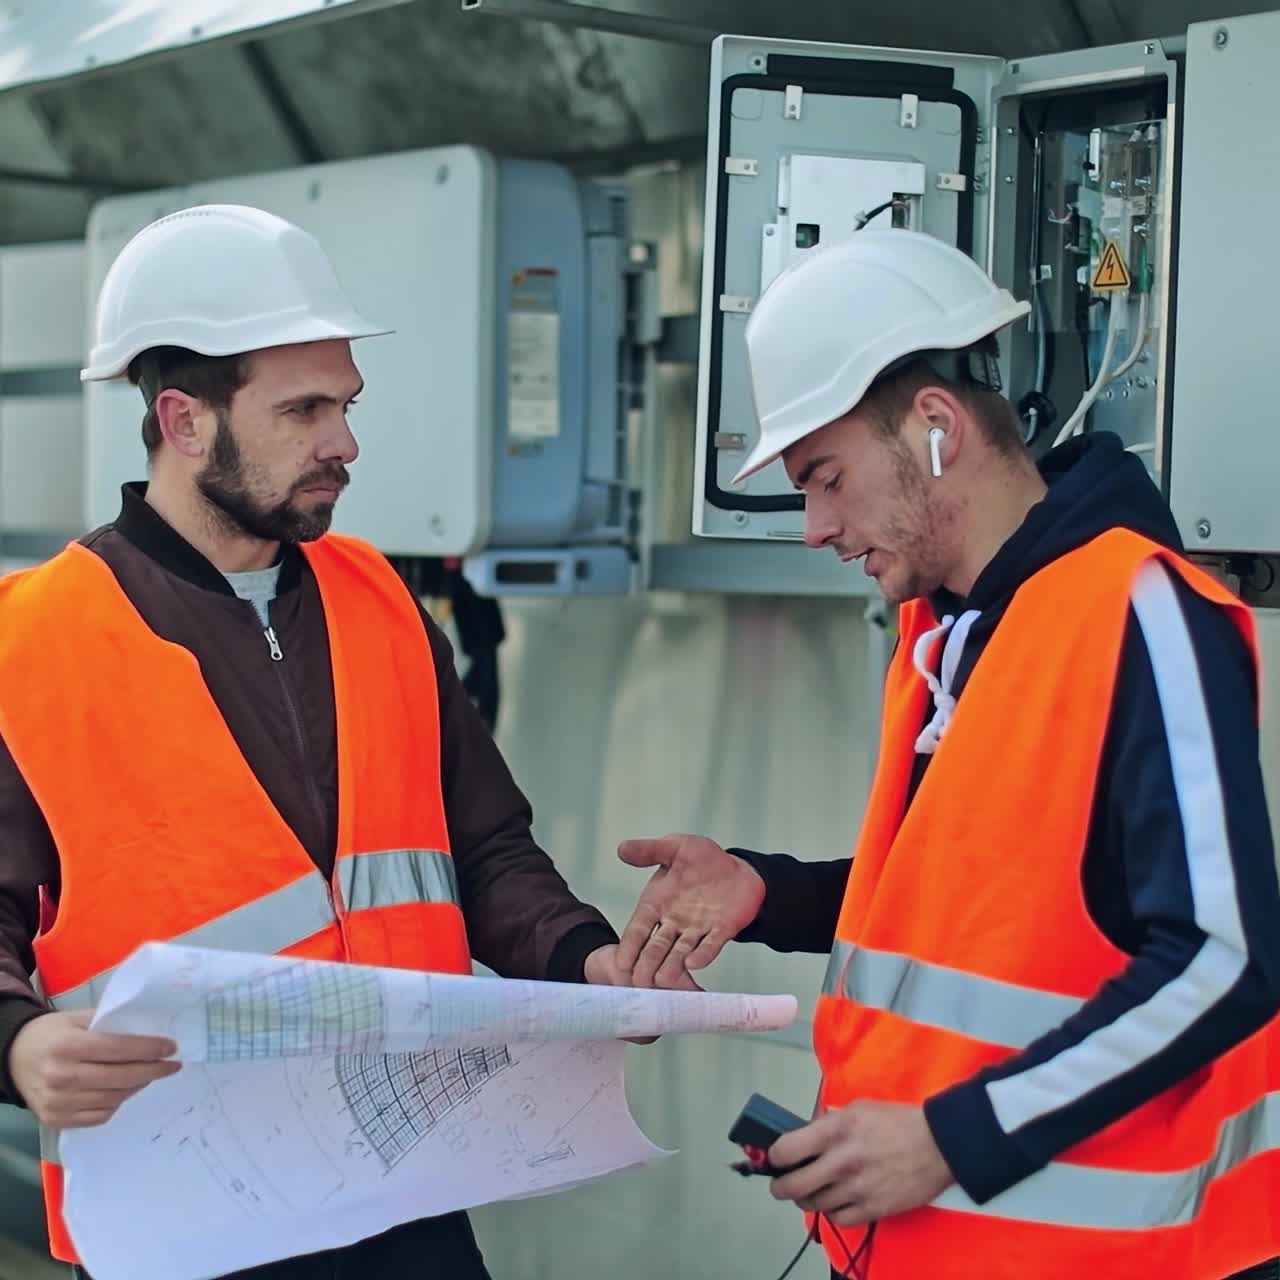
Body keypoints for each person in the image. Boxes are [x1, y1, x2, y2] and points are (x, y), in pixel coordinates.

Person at [614, 229, 1280, 1279]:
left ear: (934, 428)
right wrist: (767, 891)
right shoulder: (947, 634)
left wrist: (947, 1138)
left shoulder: (1140, 611)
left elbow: (1221, 958)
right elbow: (979, 918)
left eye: (824, 477)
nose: (814, 527)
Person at [0, 204, 639, 1278]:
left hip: (408, 1190)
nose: (344, 442)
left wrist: (590, 956)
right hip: (181, 1213)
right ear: (183, 418)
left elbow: (483, 849)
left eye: (343, 403)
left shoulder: (379, 598)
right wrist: (15, 1042)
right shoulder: (32, 641)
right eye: (302, 409)